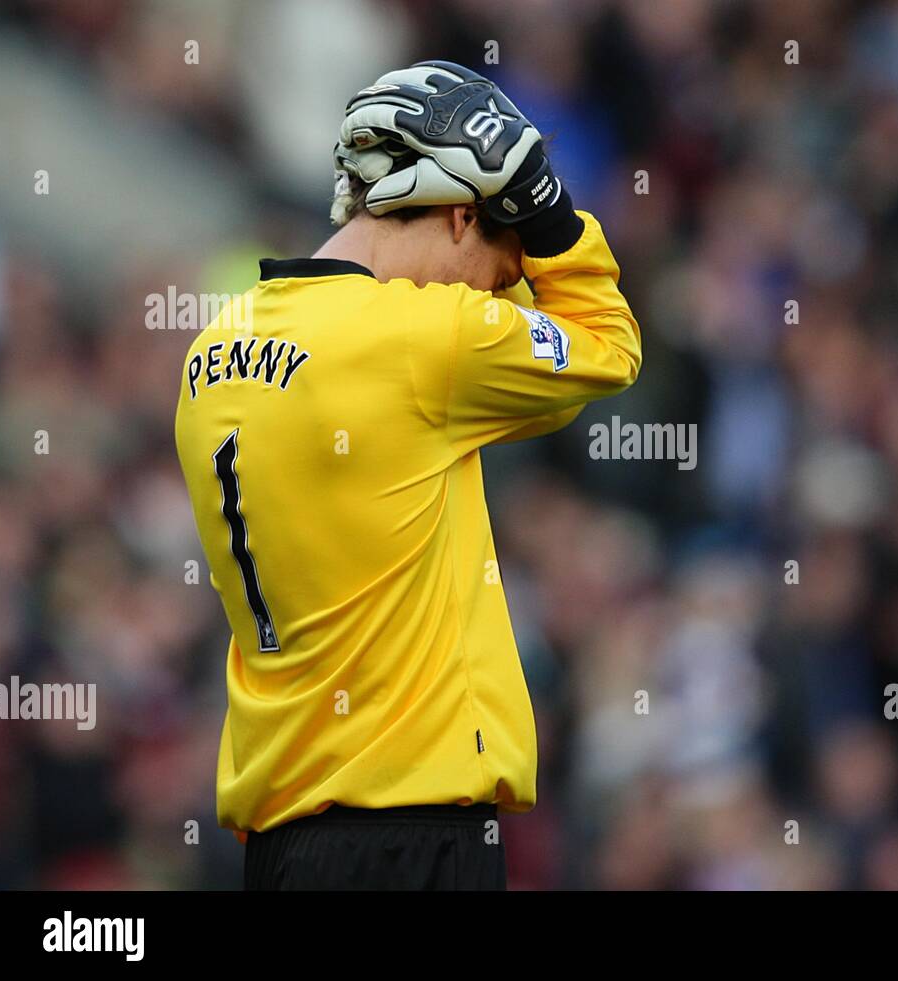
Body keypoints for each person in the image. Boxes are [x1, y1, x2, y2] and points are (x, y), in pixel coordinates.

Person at [173, 61, 641, 889]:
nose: (509, 289)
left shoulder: (213, 347)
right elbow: (607, 346)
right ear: (463, 217)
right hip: (412, 835)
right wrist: (549, 214)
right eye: (506, 267)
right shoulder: (423, 340)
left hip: (284, 837)